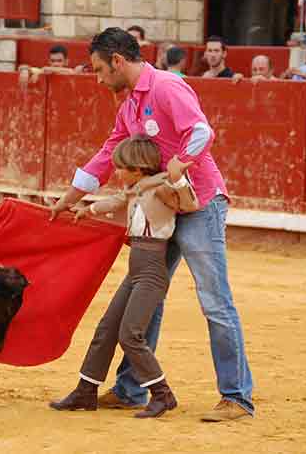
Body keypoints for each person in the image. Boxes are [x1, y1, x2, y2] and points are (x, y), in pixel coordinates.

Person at [49, 27, 254, 422]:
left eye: (99, 69)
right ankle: (131, 390)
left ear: (118, 61)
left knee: (214, 299)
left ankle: (236, 398)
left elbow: (201, 131)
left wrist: (183, 161)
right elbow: (109, 154)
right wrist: (71, 197)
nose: (97, 78)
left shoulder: (166, 87)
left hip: (199, 204)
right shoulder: (128, 108)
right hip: (160, 209)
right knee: (148, 296)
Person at [49, 135, 198, 419]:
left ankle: (163, 395)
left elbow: (189, 205)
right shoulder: (137, 188)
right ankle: (86, 390)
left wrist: (178, 178)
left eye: (121, 168)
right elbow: (115, 201)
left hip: (152, 272)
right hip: (136, 271)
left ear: (138, 168)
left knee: (130, 335)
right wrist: (87, 210)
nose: (117, 172)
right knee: (107, 328)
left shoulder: (162, 187)